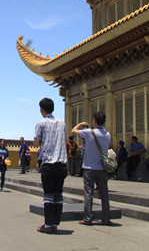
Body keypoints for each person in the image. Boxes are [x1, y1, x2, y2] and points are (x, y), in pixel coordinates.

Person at [34, 98, 67, 234]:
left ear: (41, 109)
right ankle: (55, 224)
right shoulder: (62, 123)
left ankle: (48, 225)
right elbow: (64, 140)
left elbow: (36, 144)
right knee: (58, 195)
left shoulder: (40, 123)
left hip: (48, 163)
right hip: (61, 163)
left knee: (48, 195)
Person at [73, 111, 113, 226]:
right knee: (104, 194)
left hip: (89, 168)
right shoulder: (108, 134)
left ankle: (88, 218)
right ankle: (106, 219)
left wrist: (80, 124)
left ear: (94, 121)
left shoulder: (88, 132)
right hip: (102, 168)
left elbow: (73, 131)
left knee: (88, 194)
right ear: (104, 121)